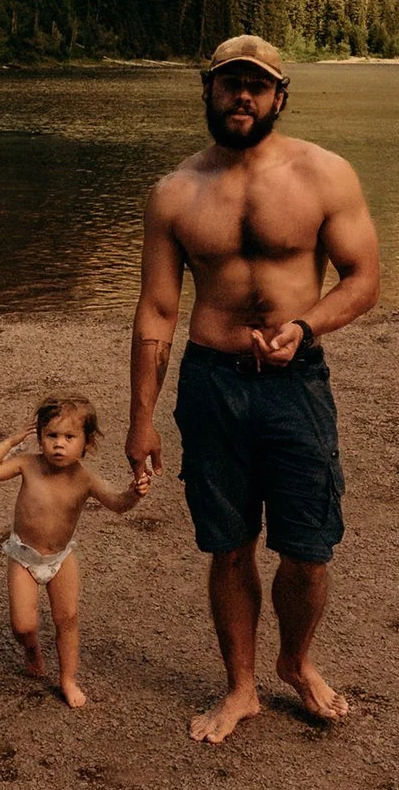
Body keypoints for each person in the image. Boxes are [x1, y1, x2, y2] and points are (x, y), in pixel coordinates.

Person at [126, 36, 380, 744]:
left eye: (258, 85)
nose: (244, 95)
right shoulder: (174, 193)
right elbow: (156, 311)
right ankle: (242, 688)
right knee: (229, 546)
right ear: (206, 90)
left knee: (307, 549)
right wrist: (141, 419)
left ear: (279, 97)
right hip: (212, 385)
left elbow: (363, 281)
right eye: (231, 83)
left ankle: (296, 663)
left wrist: (306, 323)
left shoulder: (324, 175)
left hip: (295, 383)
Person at [0, 393, 150, 708]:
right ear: (40, 438)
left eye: (69, 437)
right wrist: (14, 440)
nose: (59, 444)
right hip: (24, 556)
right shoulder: (27, 465)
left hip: (60, 559)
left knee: (67, 619)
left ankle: (68, 679)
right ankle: (30, 647)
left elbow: (117, 504)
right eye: (51, 435)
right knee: (23, 624)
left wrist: (134, 493)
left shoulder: (84, 479)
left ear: (87, 443)